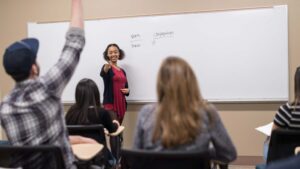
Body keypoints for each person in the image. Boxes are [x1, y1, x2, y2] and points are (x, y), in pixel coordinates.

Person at [0, 0, 92, 168]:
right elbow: (75, 43)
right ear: (34, 68)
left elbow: (38, 143)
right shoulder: (47, 88)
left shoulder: (4, 108)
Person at [133, 56, 237, 163]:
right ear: (191, 82)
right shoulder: (207, 113)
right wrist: (205, 153)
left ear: (160, 84)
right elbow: (229, 154)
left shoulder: (146, 113)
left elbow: (135, 159)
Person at [65, 78, 121, 168]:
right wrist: (115, 123)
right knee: (113, 160)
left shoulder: (71, 113)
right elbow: (112, 130)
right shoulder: (101, 112)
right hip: (99, 157)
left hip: (75, 158)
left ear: (78, 95)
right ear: (96, 94)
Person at [100, 43, 129, 124]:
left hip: (122, 104)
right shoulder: (107, 67)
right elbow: (103, 73)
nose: (113, 54)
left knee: (119, 131)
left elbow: (126, 87)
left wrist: (128, 91)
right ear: (107, 55)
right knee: (114, 130)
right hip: (110, 105)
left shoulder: (122, 71)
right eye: (110, 52)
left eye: (115, 52)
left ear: (119, 53)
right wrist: (106, 68)